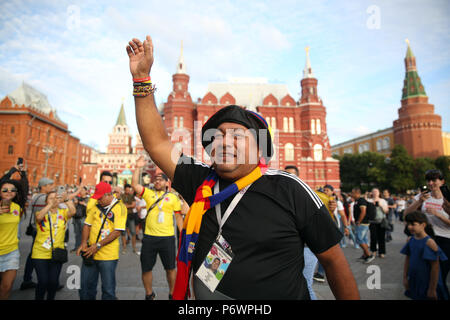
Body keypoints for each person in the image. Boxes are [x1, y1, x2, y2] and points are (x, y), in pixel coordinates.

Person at [126, 34, 359, 300]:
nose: (225, 141)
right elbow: (156, 143)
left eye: (237, 135)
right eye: (217, 135)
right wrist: (141, 79)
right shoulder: (201, 181)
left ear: (259, 149)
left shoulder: (288, 188)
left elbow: (333, 261)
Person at [131, 157, 183, 300]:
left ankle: (172, 294)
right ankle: (149, 294)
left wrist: (184, 236)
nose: (157, 181)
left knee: (171, 269)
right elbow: (134, 185)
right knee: (146, 268)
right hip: (149, 238)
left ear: (167, 183)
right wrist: (137, 167)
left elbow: (178, 218)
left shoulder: (173, 197)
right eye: (156, 179)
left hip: (167, 238)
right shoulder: (148, 193)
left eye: (161, 179)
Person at [404, 169, 450, 297]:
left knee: (439, 277)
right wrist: (419, 202)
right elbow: (406, 215)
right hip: (425, 239)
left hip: (445, 240)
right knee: (425, 275)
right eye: (428, 180)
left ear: (442, 182)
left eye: (434, 180)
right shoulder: (422, 197)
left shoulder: (447, 198)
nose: (430, 183)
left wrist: (438, 214)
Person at [77, 182, 127, 300]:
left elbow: (117, 232)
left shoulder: (120, 208)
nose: (98, 200)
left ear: (108, 195)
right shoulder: (95, 205)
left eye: (100, 198)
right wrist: (84, 243)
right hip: (90, 252)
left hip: (108, 256)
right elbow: (87, 225)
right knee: (85, 287)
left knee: (108, 290)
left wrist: (98, 245)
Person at [32, 191, 75, 300]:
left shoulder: (63, 212)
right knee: (43, 281)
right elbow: (38, 218)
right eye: (51, 198)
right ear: (46, 201)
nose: (54, 199)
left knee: (53, 282)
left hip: (57, 252)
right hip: (40, 252)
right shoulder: (41, 212)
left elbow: (73, 211)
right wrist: (50, 204)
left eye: (56, 197)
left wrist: (66, 200)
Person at [284, 165, 318, 300]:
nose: (288, 179)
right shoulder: (282, 197)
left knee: (306, 285)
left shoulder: (307, 196)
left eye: (292, 176)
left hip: (307, 249)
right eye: (285, 175)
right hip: (289, 251)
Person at [401, 211, 448, 300]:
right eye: (408, 224)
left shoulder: (430, 243)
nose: (409, 227)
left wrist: (432, 289)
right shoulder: (410, 239)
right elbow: (407, 259)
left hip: (427, 282)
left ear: (423, 225)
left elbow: (435, 267)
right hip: (415, 280)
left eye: (413, 224)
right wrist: (405, 278)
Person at [20, 177, 54, 291]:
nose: (52, 187)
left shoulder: (35, 197)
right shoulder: (43, 198)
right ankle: (37, 280)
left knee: (32, 254)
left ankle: (27, 278)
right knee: (38, 255)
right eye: (50, 185)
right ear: (43, 186)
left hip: (36, 228)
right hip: (41, 230)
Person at [0, 180, 25, 299]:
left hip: (11, 252)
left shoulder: (17, 208)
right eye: (5, 190)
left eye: (12, 190)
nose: (9, 192)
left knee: (7, 287)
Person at [352, 187, 375, 264]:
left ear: (357, 193)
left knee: (359, 239)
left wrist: (359, 221)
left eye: (353, 193)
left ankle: (369, 255)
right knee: (363, 239)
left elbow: (363, 212)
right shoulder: (357, 201)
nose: (352, 194)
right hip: (362, 223)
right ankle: (365, 254)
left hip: (362, 223)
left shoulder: (361, 200)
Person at [368, 188, 389, 258]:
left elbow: (386, 211)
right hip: (372, 221)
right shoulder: (369, 201)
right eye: (373, 191)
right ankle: (373, 251)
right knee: (373, 237)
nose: (375, 193)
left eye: (376, 191)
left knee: (381, 237)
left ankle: (381, 252)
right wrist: (372, 205)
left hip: (381, 221)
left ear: (379, 193)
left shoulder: (383, 201)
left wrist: (380, 205)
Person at [71, 186, 89, 253]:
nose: (81, 191)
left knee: (83, 233)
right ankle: (77, 247)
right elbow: (72, 208)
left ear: (86, 191)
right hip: (76, 218)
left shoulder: (88, 199)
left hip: (83, 218)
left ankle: (83, 246)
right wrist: (75, 203)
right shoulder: (77, 198)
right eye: (80, 190)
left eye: (82, 190)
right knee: (77, 233)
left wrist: (84, 204)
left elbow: (90, 207)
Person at [121, 184, 138, 254]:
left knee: (133, 232)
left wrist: (126, 206)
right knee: (123, 232)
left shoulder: (132, 196)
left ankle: (134, 247)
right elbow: (120, 205)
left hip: (130, 215)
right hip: (122, 216)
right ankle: (124, 248)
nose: (128, 191)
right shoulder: (121, 196)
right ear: (124, 189)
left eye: (129, 190)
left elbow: (134, 205)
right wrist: (129, 206)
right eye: (126, 190)